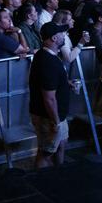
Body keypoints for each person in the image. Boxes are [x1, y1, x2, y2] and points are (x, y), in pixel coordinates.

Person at [28, 21, 70, 168]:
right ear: (54, 38)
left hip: (56, 115)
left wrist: (66, 84)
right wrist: (56, 121)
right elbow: (49, 98)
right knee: (46, 153)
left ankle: (59, 177)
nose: (64, 35)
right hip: (49, 117)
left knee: (60, 145)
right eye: (61, 33)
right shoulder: (48, 62)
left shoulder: (46, 56)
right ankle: (42, 182)